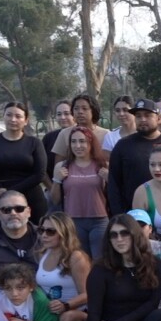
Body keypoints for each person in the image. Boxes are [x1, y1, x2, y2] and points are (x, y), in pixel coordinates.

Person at [107, 99, 161, 215]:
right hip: (134, 217)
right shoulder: (123, 146)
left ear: (158, 118)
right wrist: (119, 215)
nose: (143, 119)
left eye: (148, 115)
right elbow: (114, 184)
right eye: (138, 116)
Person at [0, 102, 48, 223]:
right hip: (2, 198)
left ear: (26, 120)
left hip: (32, 197)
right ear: (4, 117)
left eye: (18, 116)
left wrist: (10, 192)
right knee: (4, 238)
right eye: (9, 115)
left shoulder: (34, 143)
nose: (13, 119)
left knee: (38, 237)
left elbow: (40, 174)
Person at [34, 212, 90, 321]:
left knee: (67, 318)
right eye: (41, 230)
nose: (44, 235)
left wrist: (66, 305)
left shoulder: (76, 257)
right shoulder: (42, 253)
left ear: (64, 233)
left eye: (51, 231)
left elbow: (88, 294)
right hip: (49, 310)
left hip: (76, 311)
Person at [50, 125, 109, 257]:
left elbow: (112, 195)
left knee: (100, 261)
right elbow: (55, 200)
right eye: (73, 141)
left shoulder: (102, 165)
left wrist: (109, 179)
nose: (78, 145)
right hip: (73, 221)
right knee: (79, 261)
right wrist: (57, 180)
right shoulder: (62, 166)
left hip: (99, 221)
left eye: (82, 141)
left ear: (91, 143)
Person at [0, 190, 38, 291]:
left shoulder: (45, 236)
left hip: (41, 301)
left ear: (28, 212)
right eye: (6, 210)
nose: (13, 213)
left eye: (19, 209)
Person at [126, 209, 161, 309]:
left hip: (160, 303)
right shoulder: (121, 253)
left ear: (150, 228)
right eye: (133, 227)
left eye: (142, 226)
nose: (138, 231)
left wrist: (159, 305)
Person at [50, 94, 109, 164]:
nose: (80, 112)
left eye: (84, 108)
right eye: (76, 108)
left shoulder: (106, 134)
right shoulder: (65, 133)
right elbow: (59, 163)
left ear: (93, 110)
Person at [42, 100, 75, 176]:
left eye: (67, 114)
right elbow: (42, 168)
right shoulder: (49, 138)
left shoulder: (84, 135)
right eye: (59, 114)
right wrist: (51, 187)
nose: (62, 117)